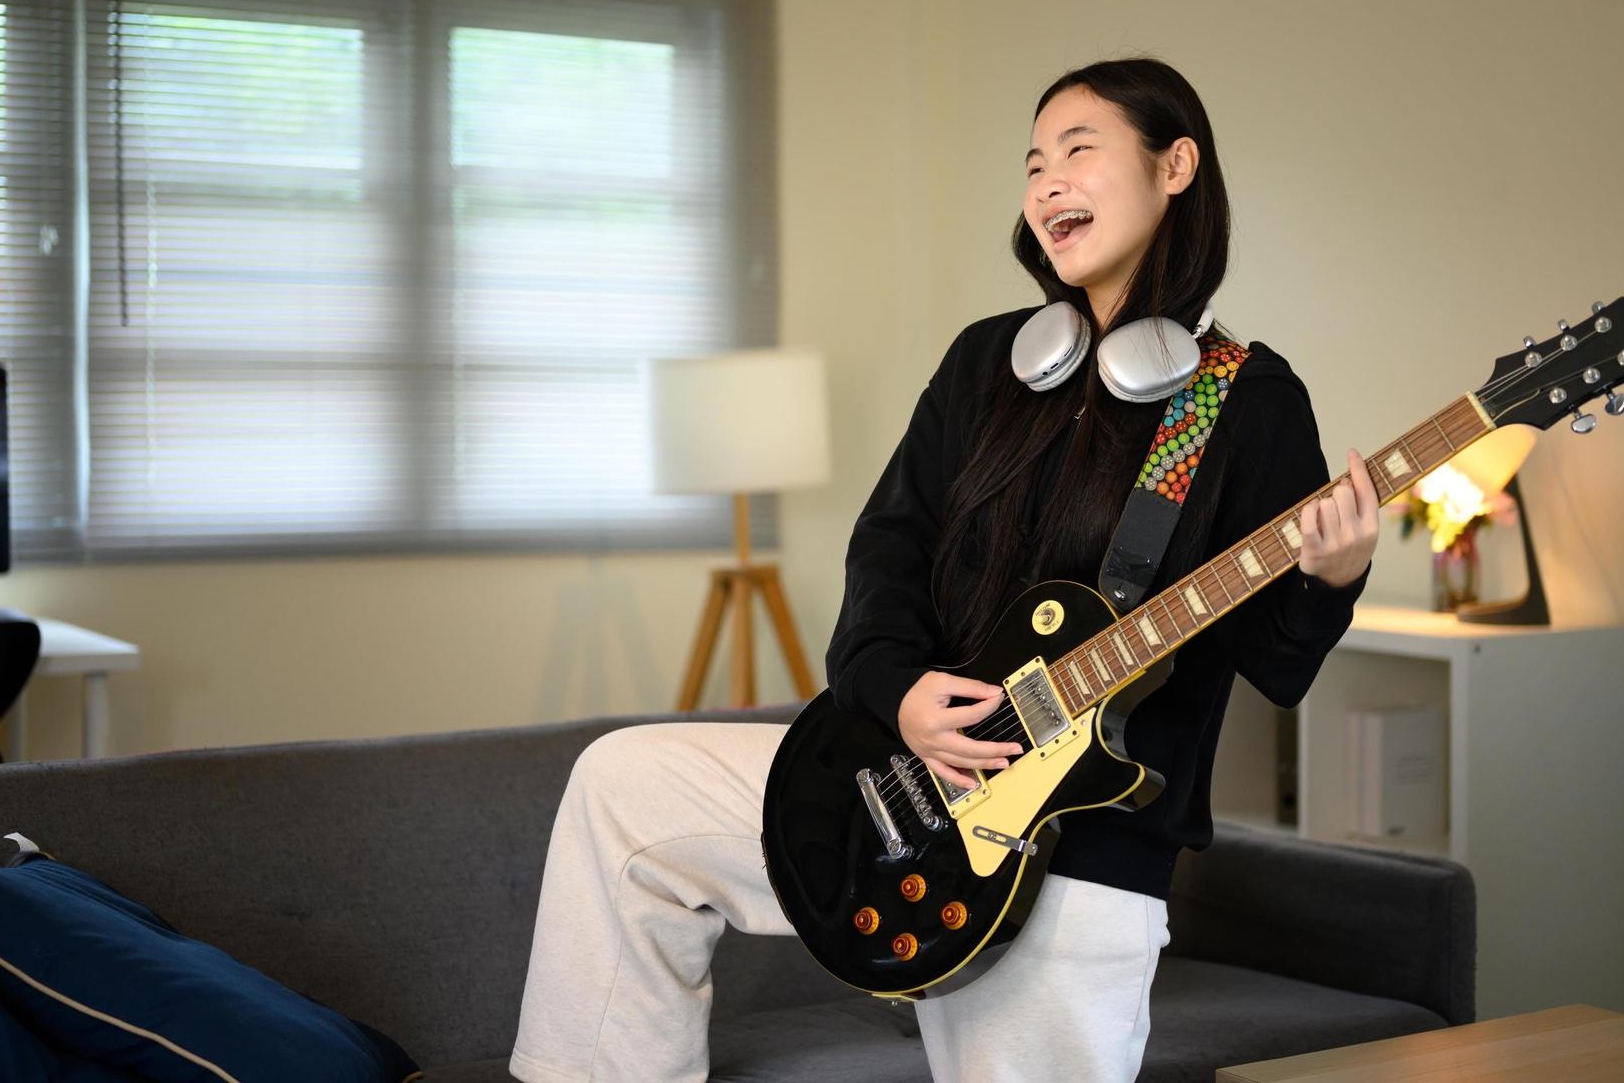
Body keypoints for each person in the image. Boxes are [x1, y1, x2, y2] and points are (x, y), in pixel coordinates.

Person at [508, 57, 1379, 1083]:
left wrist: (1332, 578)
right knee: (624, 787)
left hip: (1080, 852)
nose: (1048, 182)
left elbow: (1277, 666)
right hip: (898, 782)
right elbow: (889, 546)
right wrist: (899, 694)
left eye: (1079, 151)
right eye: (1034, 164)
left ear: (1175, 166)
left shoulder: (1246, 401)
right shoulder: (987, 363)